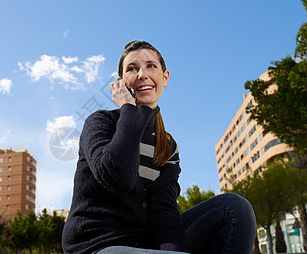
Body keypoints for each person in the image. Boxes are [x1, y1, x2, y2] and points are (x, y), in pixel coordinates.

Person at [62, 40, 256, 254]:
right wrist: (129, 108)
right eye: (132, 69)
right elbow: (117, 177)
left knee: (234, 208)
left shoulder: (167, 146)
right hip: (97, 245)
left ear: (165, 78)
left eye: (151, 66)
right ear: (121, 83)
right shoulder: (100, 123)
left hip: (146, 245)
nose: (142, 74)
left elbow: (164, 214)